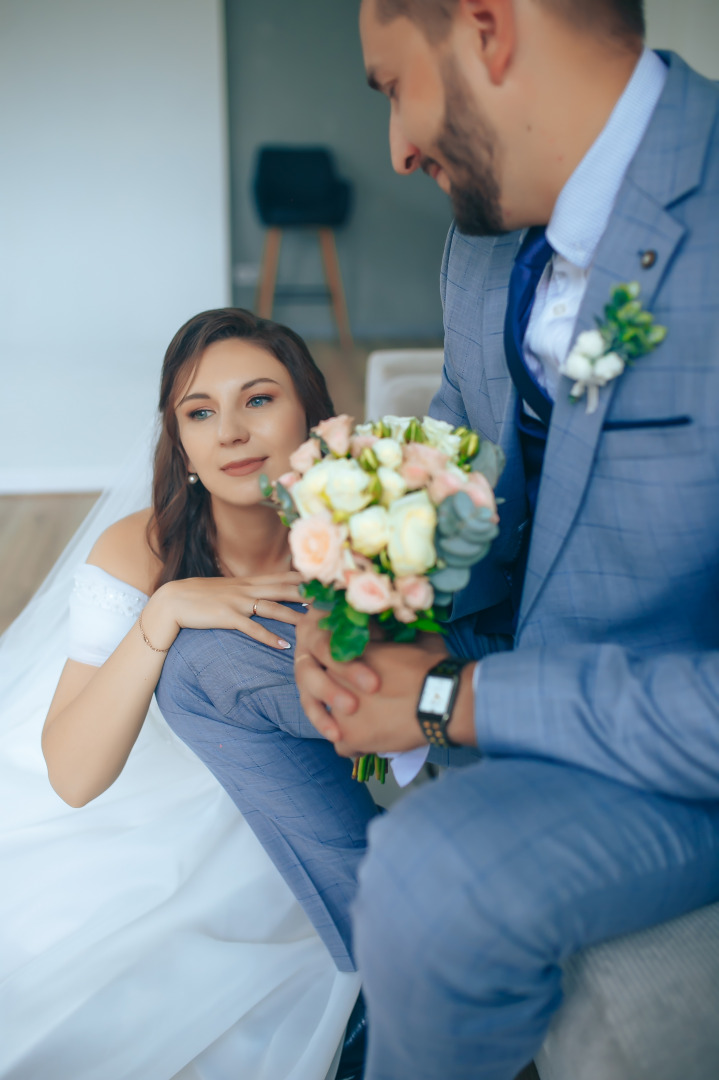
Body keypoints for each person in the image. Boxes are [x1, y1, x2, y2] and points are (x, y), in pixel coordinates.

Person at [290, 1, 719, 1078]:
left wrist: (446, 700)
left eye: (393, 87)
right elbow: (462, 448)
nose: (392, 151)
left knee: (433, 882)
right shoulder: (485, 245)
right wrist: (362, 594)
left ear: (486, 30)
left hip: (671, 746)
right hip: (503, 658)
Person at [0, 308, 371, 1080]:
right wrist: (163, 615)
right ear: (184, 450)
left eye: (258, 399)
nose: (231, 431)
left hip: (299, 788)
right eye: (200, 414)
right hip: (136, 807)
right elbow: (73, 776)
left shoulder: (361, 525)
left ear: (310, 411)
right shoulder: (141, 549)